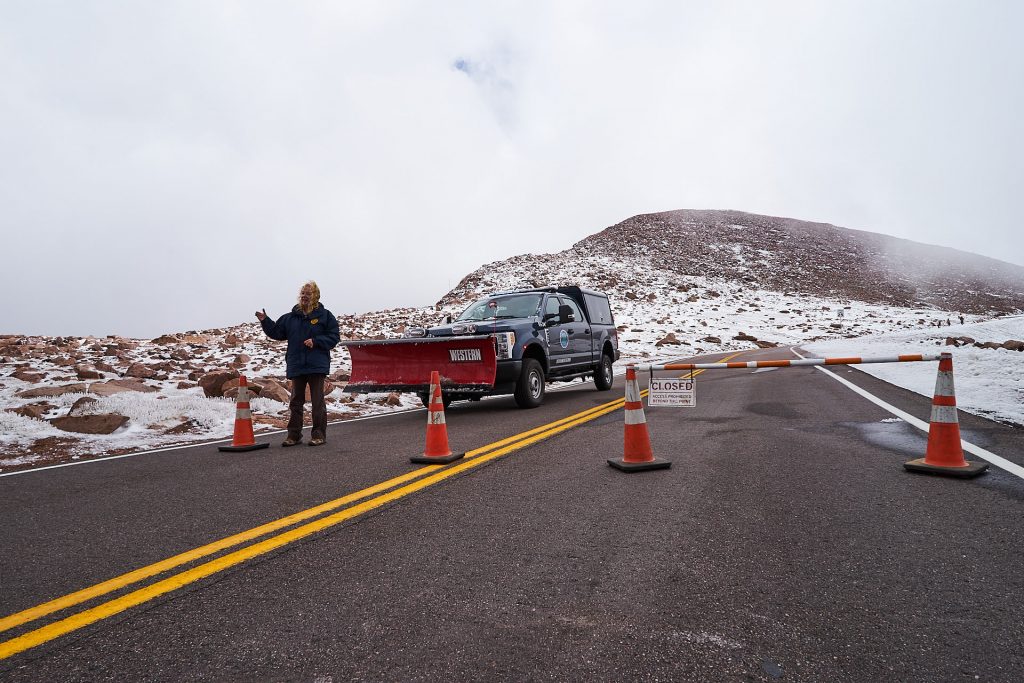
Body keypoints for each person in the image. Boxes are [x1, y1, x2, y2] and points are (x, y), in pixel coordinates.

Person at [256, 281, 340, 447]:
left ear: (315, 296)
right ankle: (294, 435)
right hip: (297, 365)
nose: (305, 297)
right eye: (303, 294)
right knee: (295, 401)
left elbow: (334, 336)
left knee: (317, 402)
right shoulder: (290, 317)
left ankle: (318, 435)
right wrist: (265, 321)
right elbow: (277, 332)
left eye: (308, 294)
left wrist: (316, 341)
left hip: (316, 365)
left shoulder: (325, 316)